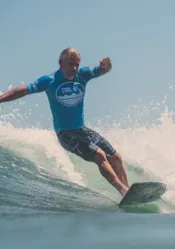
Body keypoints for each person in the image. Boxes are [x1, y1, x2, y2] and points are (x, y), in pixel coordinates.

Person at [0, 47, 129, 196]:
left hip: (82, 130)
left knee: (116, 157)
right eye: (71, 64)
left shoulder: (83, 75)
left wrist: (106, 66)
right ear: (60, 62)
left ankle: (129, 193)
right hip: (65, 134)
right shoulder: (50, 80)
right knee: (99, 155)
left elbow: (104, 70)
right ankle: (122, 190)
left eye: (77, 64)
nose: (74, 68)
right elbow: (23, 90)